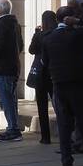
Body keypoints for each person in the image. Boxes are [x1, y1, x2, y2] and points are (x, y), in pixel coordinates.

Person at [43, 6, 83, 166]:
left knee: (64, 124)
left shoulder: (48, 38)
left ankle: (66, 160)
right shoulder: (77, 35)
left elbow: (45, 61)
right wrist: (79, 21)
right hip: (78, 85)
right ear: (70, 19)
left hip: (58, 85)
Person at [0, 0, 24, 140]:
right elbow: (21, 45)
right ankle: (13, 126)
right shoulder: (14, 24)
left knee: (7, 99)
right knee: (11, 98)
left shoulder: (1, 25)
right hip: (14, 66)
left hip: (4, 67)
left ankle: (13, 129)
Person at [27, 10, 57, 144]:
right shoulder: (57, 33)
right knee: (58, 105)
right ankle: (65, 134)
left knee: (42, 106)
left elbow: (31, 50)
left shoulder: (40, 35)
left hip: (40, 73)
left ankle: (45, 137)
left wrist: (35, 33)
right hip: (53, 71)